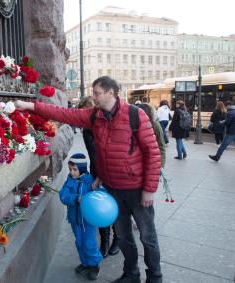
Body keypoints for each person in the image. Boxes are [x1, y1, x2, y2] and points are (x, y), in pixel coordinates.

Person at [15, 76, 163, 283]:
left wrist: (149, 189)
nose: (93, 97)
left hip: (137, 189)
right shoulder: (95, 116)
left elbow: (153, 153)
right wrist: (29, 105)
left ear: (111, 93)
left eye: (97, 93)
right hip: (112, 190)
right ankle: (131, 274)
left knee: (147, 237)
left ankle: (155, 277)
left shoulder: (135, 115)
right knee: (123, 236)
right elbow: (64, 114)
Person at [77, 97, 120, 258]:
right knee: (101, 206)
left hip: (112, 172)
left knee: (114, 206)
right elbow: (94, 153)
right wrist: (98, 175)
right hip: (98, 171)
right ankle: (105, 241)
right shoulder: (87, 129)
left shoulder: (105, 123)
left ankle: (118, 239)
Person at [59, 153, 103, 280]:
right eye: (70, 169)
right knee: (79, 243)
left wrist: (97, 191)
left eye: (75, 169)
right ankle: (85, 263)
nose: (72, 172)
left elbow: (100, 196)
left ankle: (94, 265)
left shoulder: (90, 181)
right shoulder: (70, 180)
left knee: (89, 243)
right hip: (75, 219)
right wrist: (74, 198)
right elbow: (63, 195)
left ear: (82, 168)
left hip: (88, 221)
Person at [209, 101, 235, 166]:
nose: (225, 108)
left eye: (226, 106)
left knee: (223, 145)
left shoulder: (230, 112)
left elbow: (227, 122)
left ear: (228, 105)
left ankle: (217, 157)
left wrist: (221, 122)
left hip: (231, 132)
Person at [137, 103, 166, 168]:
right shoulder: (134, 124)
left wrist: (161, 165)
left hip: (152, 162)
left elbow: (161, 146)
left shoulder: (155, 125)